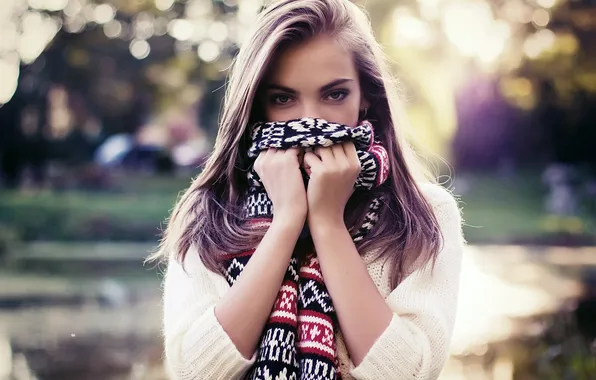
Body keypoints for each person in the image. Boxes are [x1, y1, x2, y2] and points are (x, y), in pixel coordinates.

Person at [151, 0, 465, 379]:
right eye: (283, 99)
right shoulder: (208, 212)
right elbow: (195, 371)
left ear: (366, 97)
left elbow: (409, 373)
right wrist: (286, 222)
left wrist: (329, 224)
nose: (310, 121)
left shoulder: (424, 215)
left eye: (334, 95)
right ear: (257, 107)